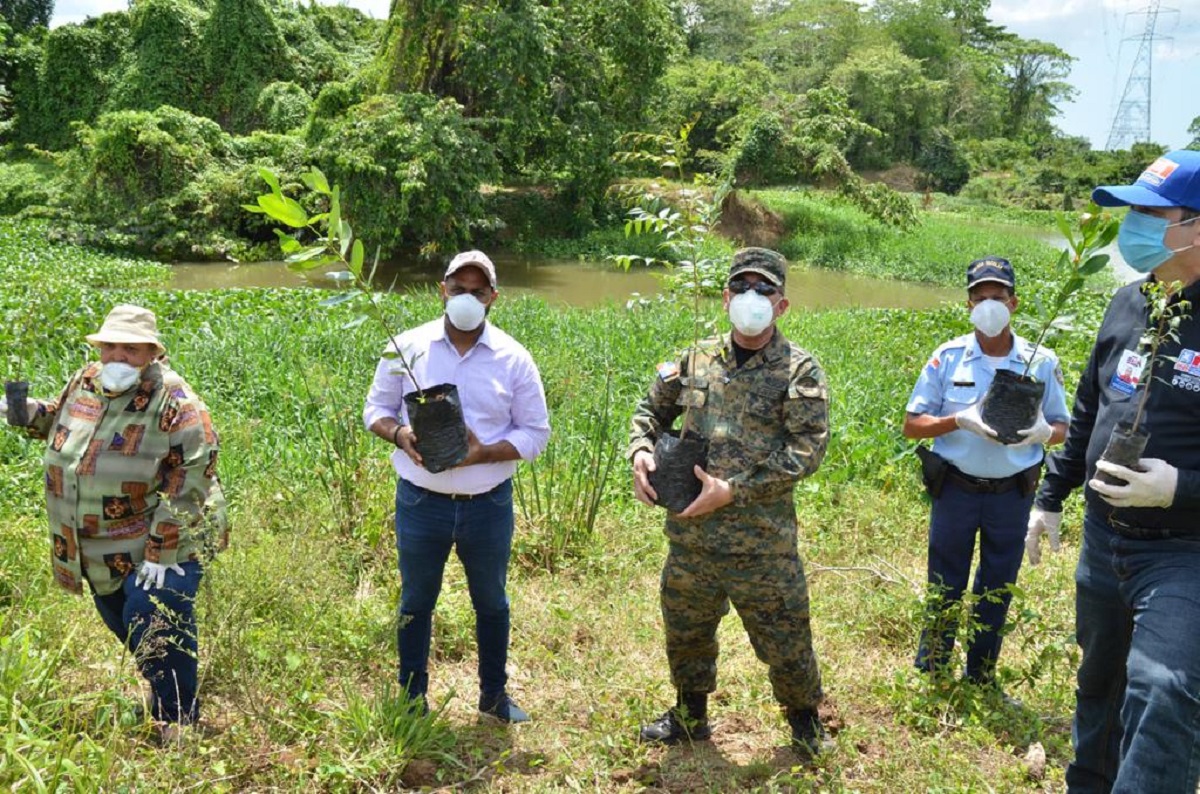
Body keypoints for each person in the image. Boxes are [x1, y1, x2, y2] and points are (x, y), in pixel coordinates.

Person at [1025, 149, 1200, 792]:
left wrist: (1182, 488)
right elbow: (1091, 403)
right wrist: (1050, 497)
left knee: (1163, 689)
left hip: (1184, 547)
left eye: (1152, 213)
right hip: (1104, 537)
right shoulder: (1129, 302)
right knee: (1099, 680)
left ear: (1198, 226)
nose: (1135, 226)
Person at [628, 247, 830, 755]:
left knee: (785, 636)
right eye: (742, 287)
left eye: (764, 289)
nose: (751, 298)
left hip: (761, 540)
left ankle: (804, 720)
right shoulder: (693, 359)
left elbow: (806, 451)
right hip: (692, 535)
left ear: (782, 305)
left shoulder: (798, 371)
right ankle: (690, 714)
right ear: (725, 298)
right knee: (686, 628)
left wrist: (735, 490)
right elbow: (648, 412)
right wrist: (639, 453)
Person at [0, 304, 228, 739]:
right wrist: (32, 413)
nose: (118, 356)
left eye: (132, 349)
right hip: (99, 540)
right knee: (123, 620)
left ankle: (180, 720)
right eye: (111, 346)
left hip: (169, 531)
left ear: (153, 353)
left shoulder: (177, 401)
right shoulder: (87, 380)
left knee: (152, 613)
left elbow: (193, 474)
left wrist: (163, 549)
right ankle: (164, 687)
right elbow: (65, 426)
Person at [363, 250, 550, 723]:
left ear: (494, 298)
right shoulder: (405, 347)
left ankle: (493, 697)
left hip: (488, 505)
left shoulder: (514, 358)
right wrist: (401, 435)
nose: (468, 297)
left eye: (478, 290)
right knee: (415, 601)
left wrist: (485, 452)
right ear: (441, 290)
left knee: (491, 601)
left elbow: (536, 433)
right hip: (420, 501)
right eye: (458, 288)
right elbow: (375, 412)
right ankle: (411, 700)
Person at [903, 257, 1069, 688]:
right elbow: (912, 425)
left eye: (998, 297)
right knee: (945, 580)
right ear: (968, 305)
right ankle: (932, 669)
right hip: (956, 489)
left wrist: (1041, 432)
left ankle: (980, 674)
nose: (989, 306)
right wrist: (958, 420)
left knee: (997, 584)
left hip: (1012, 494)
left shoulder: (1041, 361)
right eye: (981, 298)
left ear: (1014, 303)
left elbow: (1063, 429)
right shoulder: (948, 358)